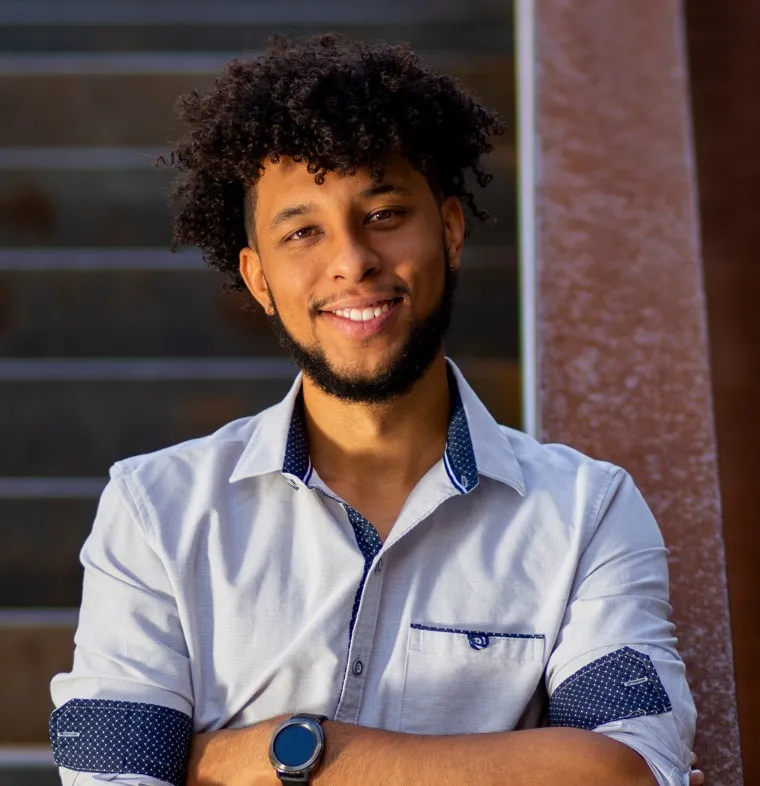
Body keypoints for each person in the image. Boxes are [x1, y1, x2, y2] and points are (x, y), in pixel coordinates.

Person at [49, 34, 703, 786]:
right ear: (258, 279)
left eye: (385, 213)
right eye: (303, 231)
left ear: (450, 230)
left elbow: (628, 772)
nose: (352, 260)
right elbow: (110, 777)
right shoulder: (155, 511)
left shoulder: (587, 511)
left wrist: (284, 750)